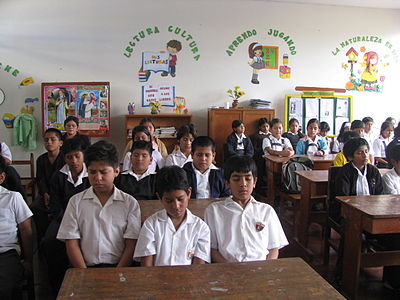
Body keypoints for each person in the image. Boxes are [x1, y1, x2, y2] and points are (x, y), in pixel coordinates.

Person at [57, 141, 141, 269]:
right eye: (92, 172)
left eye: (103, 172)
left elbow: (131, 244)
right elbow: (71, 241)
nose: (98, 177)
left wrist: (118, 272)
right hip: (84, 267)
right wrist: (84, 273)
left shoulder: (129, 203)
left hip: (119, 267)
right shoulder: (76, 202)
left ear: (116, 171)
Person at [204, 155, 288, 262]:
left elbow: (273, 248)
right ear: (227, 183)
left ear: (255, 182)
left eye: (248, 179)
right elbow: (212, 249)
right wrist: (230, 269)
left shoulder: (266, 211)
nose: (243, 184)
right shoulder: (214, 211)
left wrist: (266, 268)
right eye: (236, 179)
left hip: (261, 269)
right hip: (228, 270)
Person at [134, 166, 210, 266]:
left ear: (189, 193)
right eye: (169, 201)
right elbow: (147, 267)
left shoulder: (200, 228)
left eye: (180, 199)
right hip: (157, 280)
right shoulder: (151, 225)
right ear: (159, 198)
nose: (176, 206)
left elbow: (198, 268)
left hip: (189, 280)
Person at [42, 137, 90, 296]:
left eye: (77, 156)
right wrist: (68, 223)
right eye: (69, 157)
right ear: (64, 158)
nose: (74, 160)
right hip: (63, 218)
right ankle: (56, 283)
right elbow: (56, 206)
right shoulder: (58, 176)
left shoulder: (91, 175)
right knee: (49, 241)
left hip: (88, 219)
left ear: (84, 155)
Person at [0, 156, 33, 300]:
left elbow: (26, 231)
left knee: (4, 289)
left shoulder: (12, 198)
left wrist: (28, 261)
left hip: (6, 253)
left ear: (1, 177)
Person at [30, 128, 65, 245]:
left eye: (53, 139)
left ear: (60, 142)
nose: (49, 142)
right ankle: (42, 238)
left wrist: (54, 195)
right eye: (46, 140)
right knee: (35, 207)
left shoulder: (66, 159)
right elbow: (40, 179)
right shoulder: (41, 159)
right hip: (45, 194)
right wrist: (45, 193)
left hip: (61, 195)